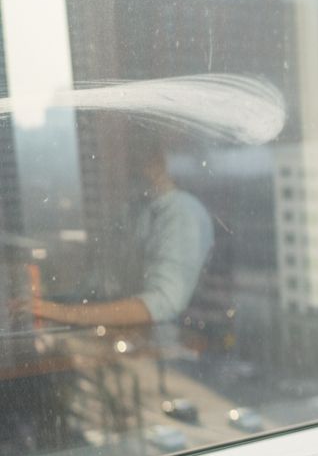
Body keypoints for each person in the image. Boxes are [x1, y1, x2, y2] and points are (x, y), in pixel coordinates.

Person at [14, 132, 213, 342]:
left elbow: (160, 305)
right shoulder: (133, 211)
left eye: (132, 156)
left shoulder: (182, 213)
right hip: (120, 345)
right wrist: (41, 303)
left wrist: (55, 311)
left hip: (162, 353)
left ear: (158, 158)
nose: (122, 165)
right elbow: (98, 287)